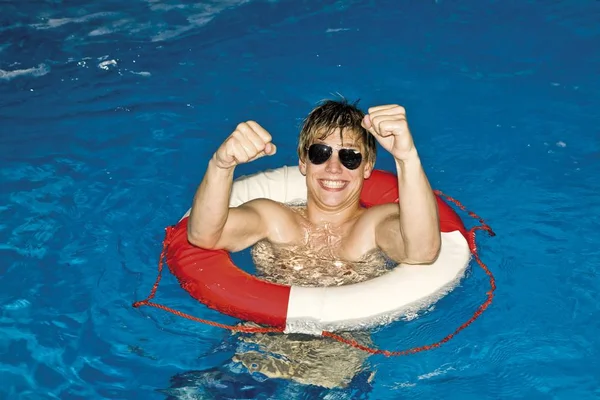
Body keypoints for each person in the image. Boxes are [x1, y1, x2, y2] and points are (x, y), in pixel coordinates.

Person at [186, 99, 441, 389]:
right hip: (257, 356)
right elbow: (203, 235)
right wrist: (221, 164)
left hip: (334, 369)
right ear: (303, 162)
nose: (334, 168)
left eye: (350, 157)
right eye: (320, 153)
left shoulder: (374, 225)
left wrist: (406, 157)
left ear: (367, 167)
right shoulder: (275, 218)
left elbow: (422, 251)